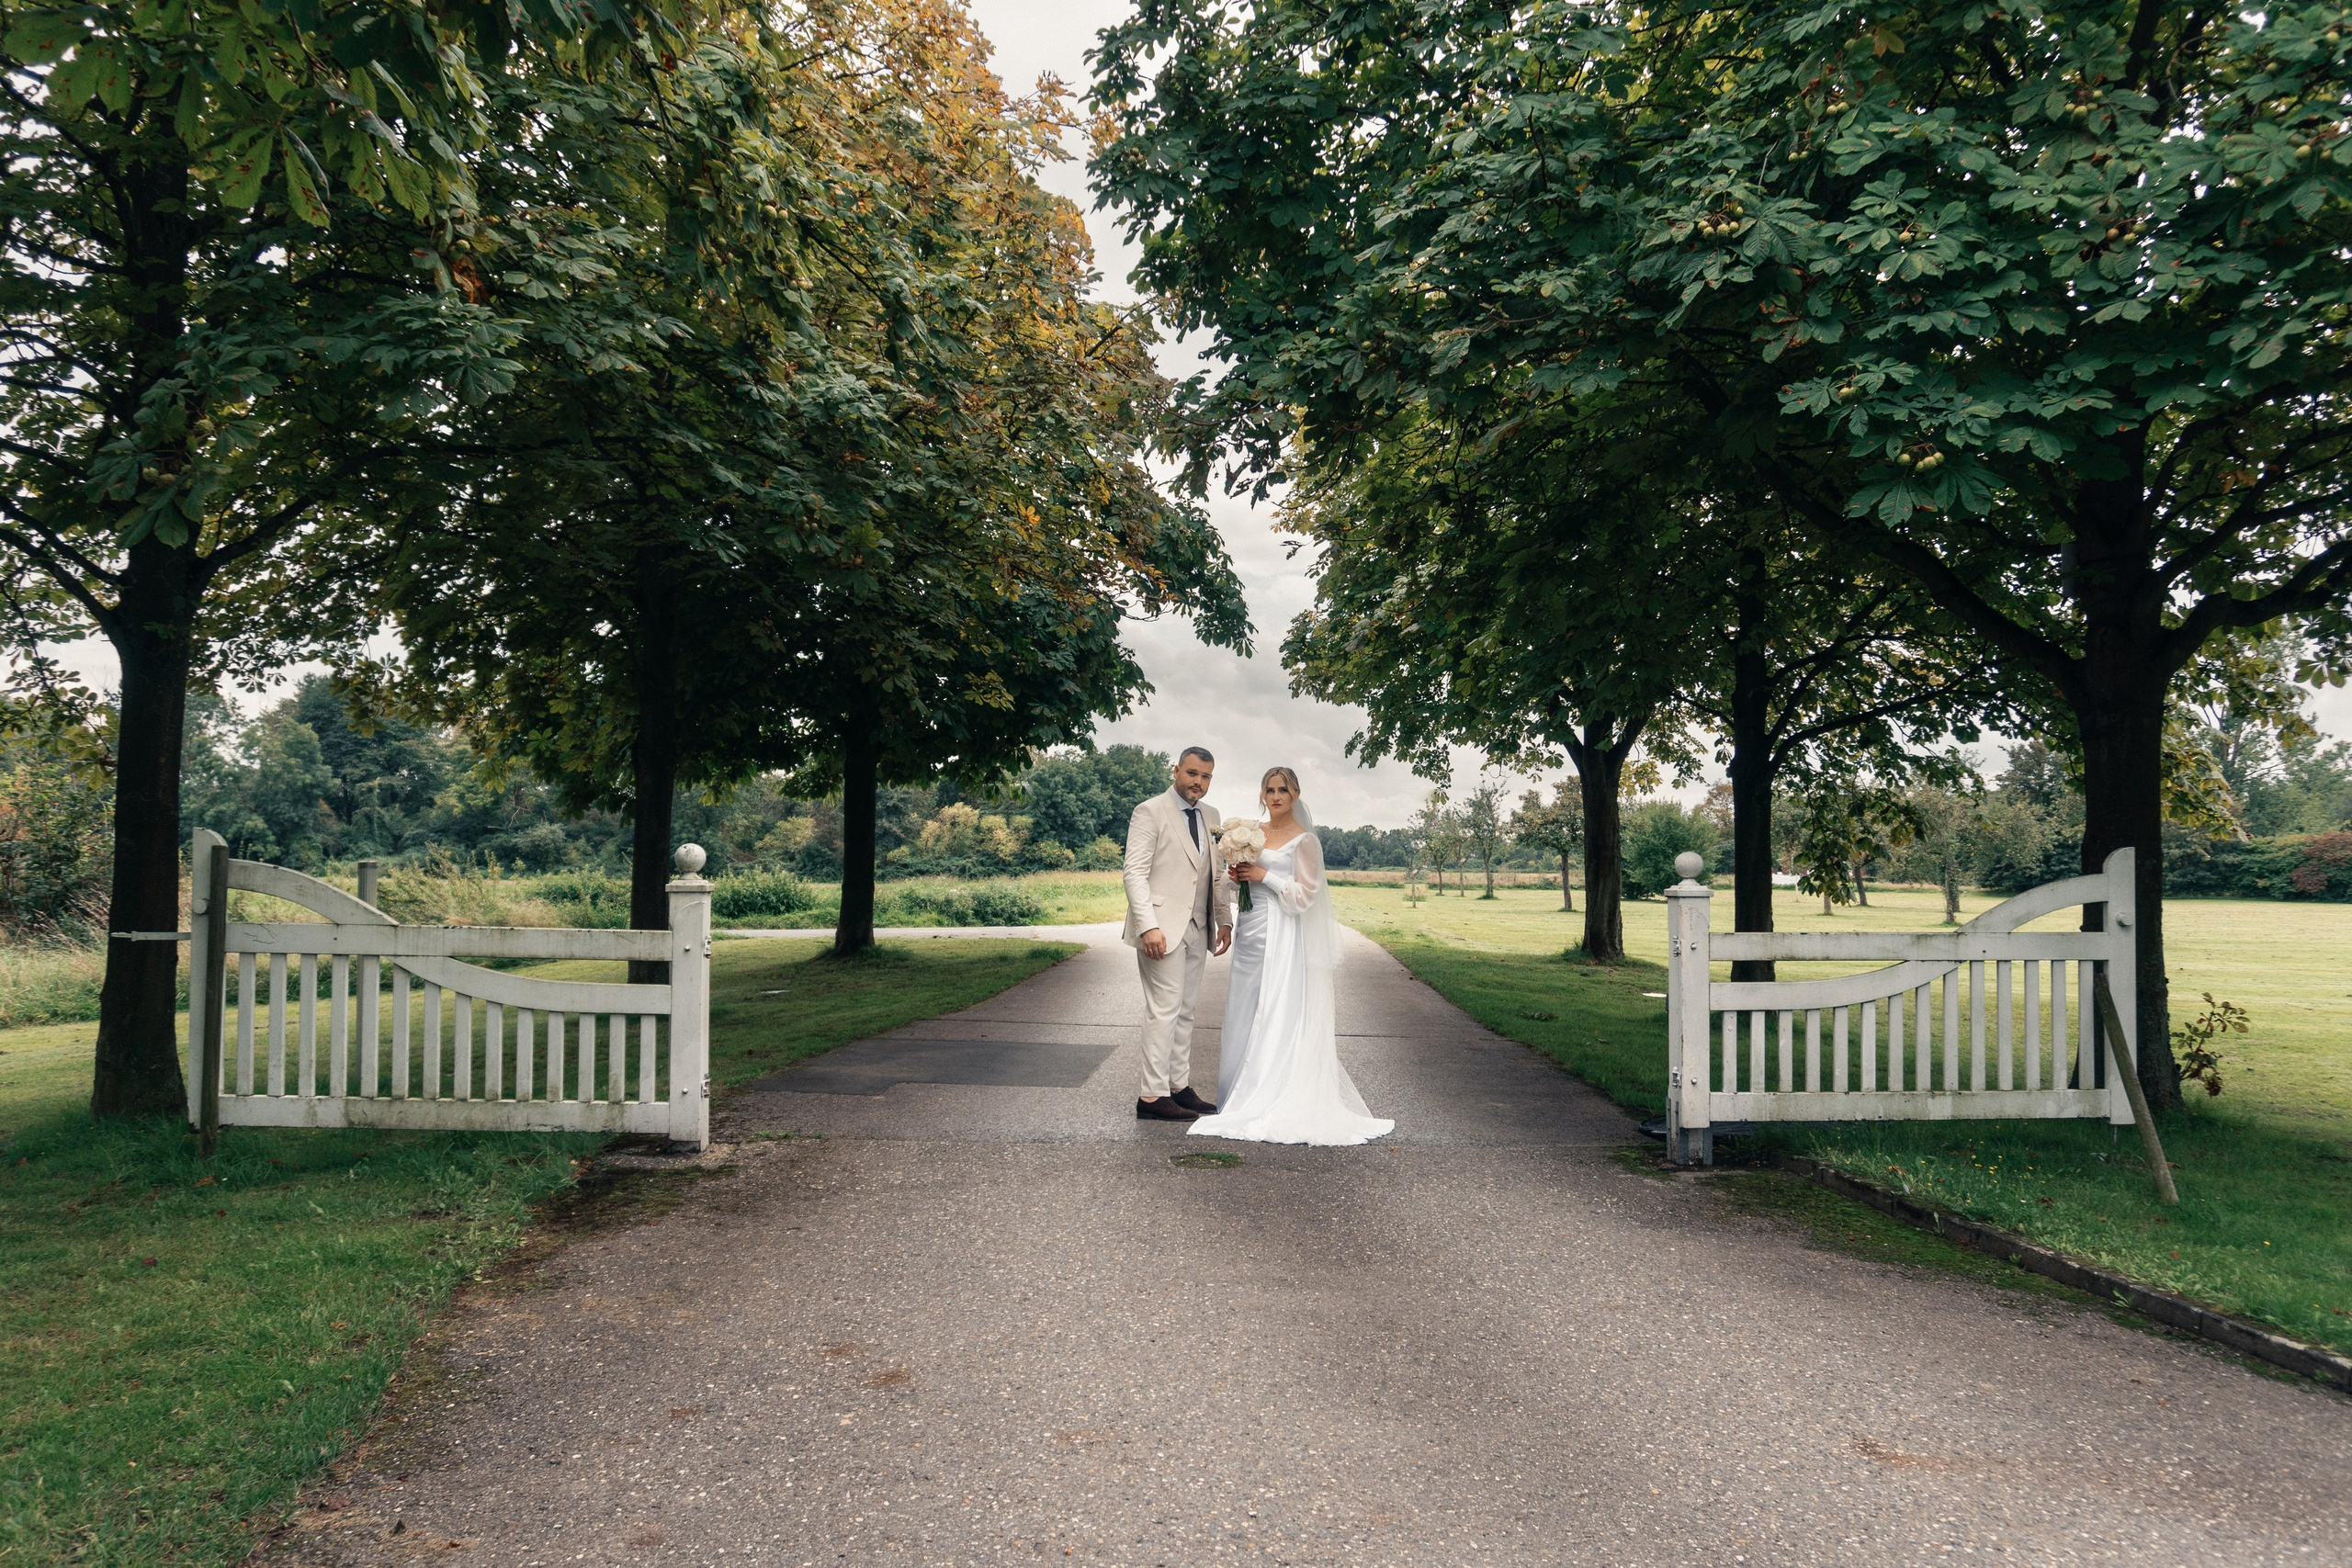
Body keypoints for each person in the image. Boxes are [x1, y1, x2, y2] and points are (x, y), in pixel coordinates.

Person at [1190, 766, 1394, 1146]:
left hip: (1282, 934)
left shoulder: (1304, 842)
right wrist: (1238, 879)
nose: (1276, 796)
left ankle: (1268, 1090)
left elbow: (1304, 897)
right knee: (1243, 1009)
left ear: (1296, 794)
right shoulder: (1252, 834)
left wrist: (1264, 875)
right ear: (1262, 795)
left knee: (1274, 1009)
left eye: (1283, 789)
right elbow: (1238, 887)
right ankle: (1235, 1094)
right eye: (1269, 789)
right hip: (1250, 930)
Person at [1121, 747, 1234, 1121]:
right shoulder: (1150, 810)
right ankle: (1151, 1097)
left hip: (1198, 927)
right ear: (1176, 771)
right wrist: (1147, 926)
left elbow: (1216, 874)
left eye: (1205, 777)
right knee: (1163, 1010)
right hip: (1161, 929)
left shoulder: (1212, 816)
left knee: (1185, 1011)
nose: (1197, 782)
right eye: (1191, 773)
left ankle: (1178, 1087)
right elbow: (1134, 873)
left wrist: (1224, 920)